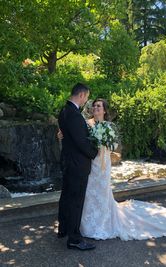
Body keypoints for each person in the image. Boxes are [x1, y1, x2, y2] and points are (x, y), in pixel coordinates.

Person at [59, 98, 166, 242]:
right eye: (94, 106)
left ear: (104, 110)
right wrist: (62, 134)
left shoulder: (109, 127)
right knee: (87, 193)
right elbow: (76, 136)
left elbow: (112, 146)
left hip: (103, 164)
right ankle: (83, 224)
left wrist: (103, 142)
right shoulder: (86, 124)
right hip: (89, 164)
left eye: (99, 106)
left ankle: (101, 223)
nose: (95, 108)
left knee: (101, 193)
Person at [57, 83, 98, 250]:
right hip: (77, 165)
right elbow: (81, 142)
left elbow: (70, 137)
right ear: (81, 95)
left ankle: (63, 229)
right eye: (86, 97)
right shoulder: (74, 114)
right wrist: (94, 152)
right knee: (76, 201)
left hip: (68, 162)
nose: (86, 100)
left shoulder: (64, 111)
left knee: (66, 196)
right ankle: (74, 239)